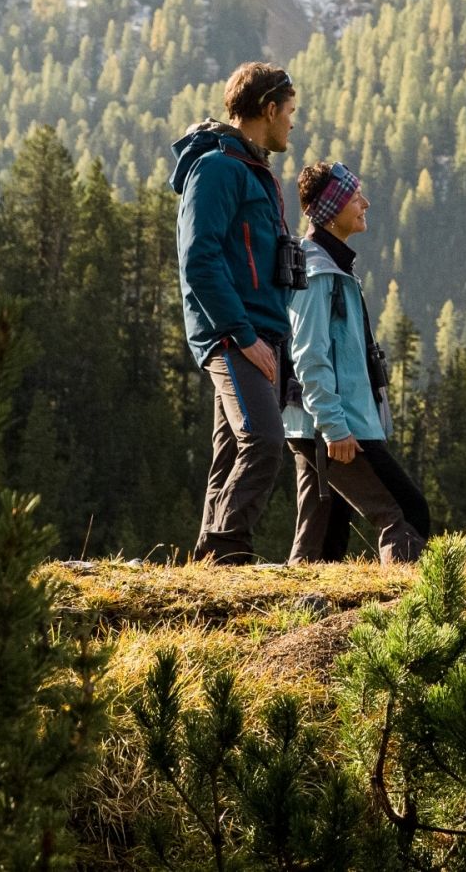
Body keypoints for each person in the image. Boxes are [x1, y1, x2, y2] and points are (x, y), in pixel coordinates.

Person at [170, 61, 302, 563]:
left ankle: (211, 562)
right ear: (267, 109)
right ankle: (228, 546)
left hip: (256, 330)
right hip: (233, 335)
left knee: (230, 455)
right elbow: (198, 259)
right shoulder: (218, 168)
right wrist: (243, 334)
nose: (292, 122)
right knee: (265, 441)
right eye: (289, 112)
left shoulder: (248, 169)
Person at [283, 161, 430, 563]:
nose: (365, 203)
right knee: (405, 513)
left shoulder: (329, 268)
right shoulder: (317, 273)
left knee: (320, 537)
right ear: (331, 210)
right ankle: (407, 617)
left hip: (313, 424)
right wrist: (334, 426)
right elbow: (309, 355)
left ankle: (303, 618)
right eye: (354, 197)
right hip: (333, 426)